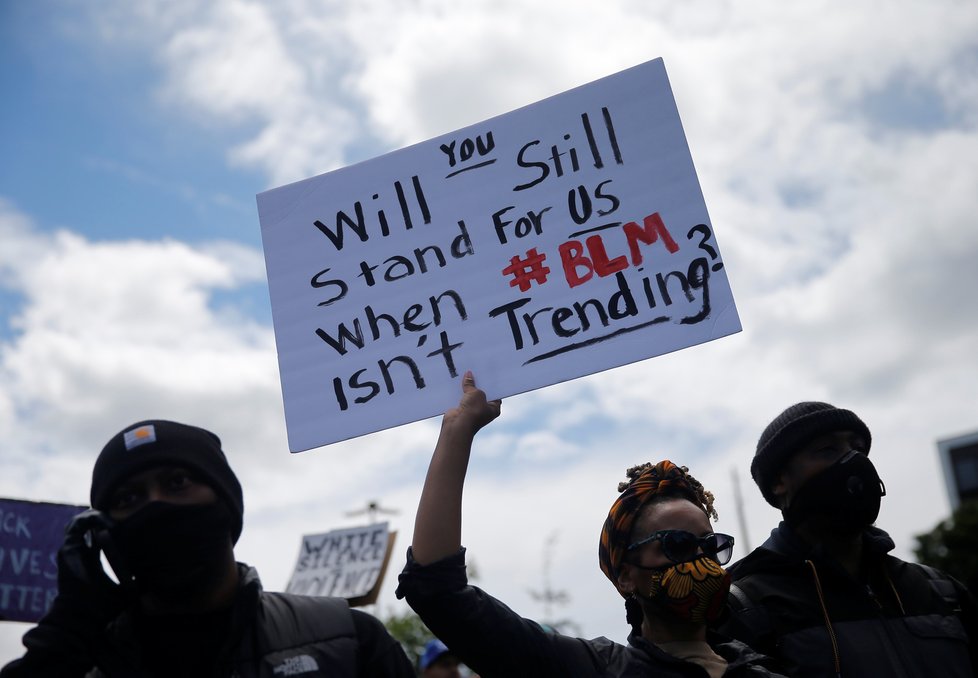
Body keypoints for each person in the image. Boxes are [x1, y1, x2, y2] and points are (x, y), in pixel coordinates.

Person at [396, 372, 785, 677]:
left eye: (710, 546)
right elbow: (438, 592)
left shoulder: (766, 670)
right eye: (676, 545)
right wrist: (459, 430)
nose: (702, 561)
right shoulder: (591, 668)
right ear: (625, 576)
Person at [1, 419, 415, 677]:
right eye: (128, 498)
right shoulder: (84, 664)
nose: (155, 505)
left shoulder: (348, 642)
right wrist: (64, 643)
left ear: (226, 502)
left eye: (177, 483)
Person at [719, 401, 978, 677]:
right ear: (778, 482)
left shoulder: (941, 591)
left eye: (858, 448)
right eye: (828, 449)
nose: (855, 461)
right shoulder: (742, 608)